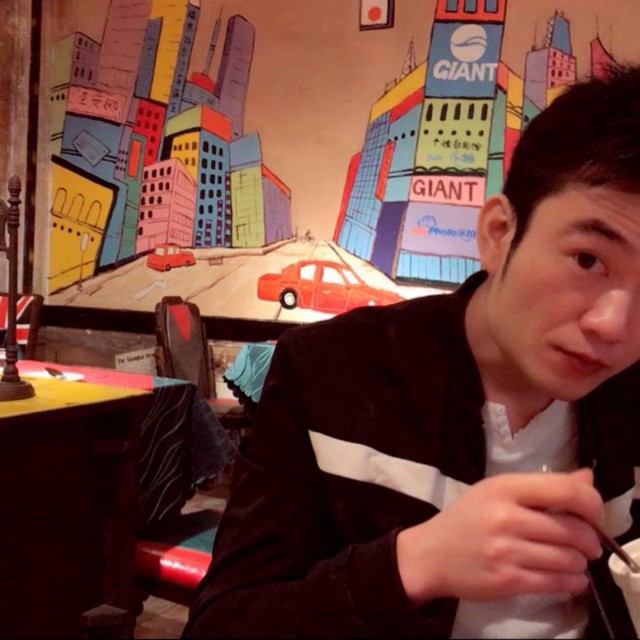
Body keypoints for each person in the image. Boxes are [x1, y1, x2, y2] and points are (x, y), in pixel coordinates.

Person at [183, 64, 640, 638]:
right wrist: (416, 564)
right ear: (499, 234)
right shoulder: (331, 374)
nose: (612, 325)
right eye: (587, 260)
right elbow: (222, 626)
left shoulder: (629, 398)